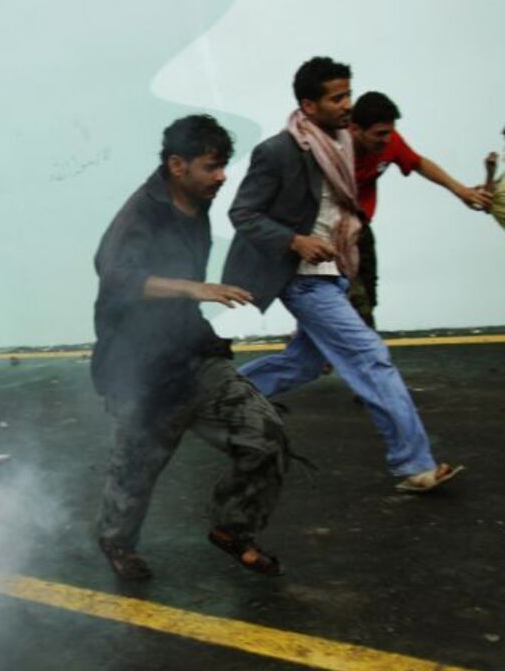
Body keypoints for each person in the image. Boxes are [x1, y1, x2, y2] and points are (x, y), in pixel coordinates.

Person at [222, 56, 463, 494]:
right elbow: (243, 213)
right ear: (308, 106)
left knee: (303, 364)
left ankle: (210, 399)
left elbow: (407, 158)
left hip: (337, 268)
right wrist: (295, 241)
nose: (347, 104)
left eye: (348, 94)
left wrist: (463, 191)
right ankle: (414, 466)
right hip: (301, 274)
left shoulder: (348, 142)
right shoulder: (279, 151)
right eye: (337, 98)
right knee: (370, 356)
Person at [92, 115, 289, 581]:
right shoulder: (141, 212)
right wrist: (190, 288)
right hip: (139, 368)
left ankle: (232, 528)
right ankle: (116, 541)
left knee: (265, 436)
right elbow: (113, 274)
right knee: (135, 471)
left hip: (192, 353)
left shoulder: (199, 204)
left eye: (223, 166)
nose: (221, 177)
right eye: (211, 167)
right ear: (177, 165)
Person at [346, 91, 492, 327]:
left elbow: (418, 163)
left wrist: (460, 190)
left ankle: (318, 340)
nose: (386, 139)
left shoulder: (391, 142)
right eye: (380, 134)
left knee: (368, 298)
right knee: (352, 304)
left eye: (390, 132)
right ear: (355, 130)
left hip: (359, 226)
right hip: (328, 229)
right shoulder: (332, 148)